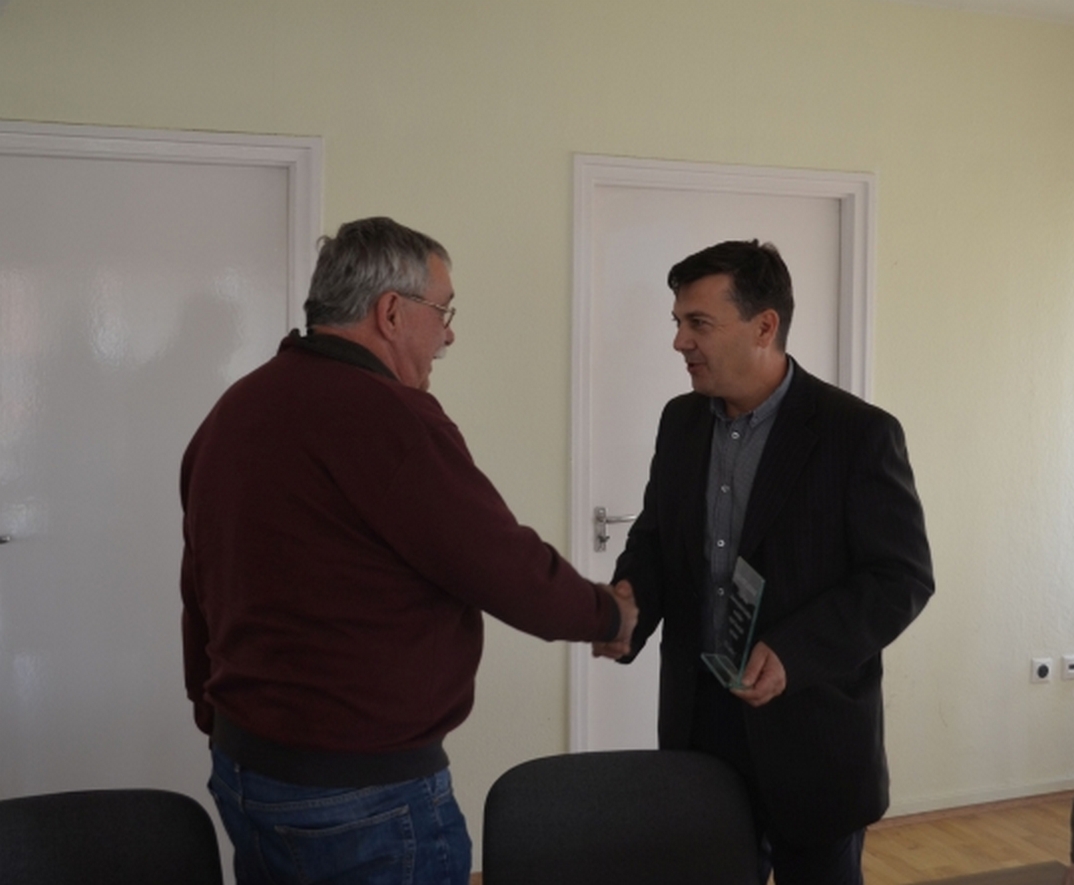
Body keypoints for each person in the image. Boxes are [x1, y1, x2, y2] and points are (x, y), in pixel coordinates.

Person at [181, 216, 637, 885]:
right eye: (442, 311)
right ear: (391, 312)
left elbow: (199, 585)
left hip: (247, 766)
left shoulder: (236, 409)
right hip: (361, 793)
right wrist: (607, 614)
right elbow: (497, 561)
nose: (448, 334)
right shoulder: (384, 416)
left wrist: (213, 713)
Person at [594, 239, 933, 884]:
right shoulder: (679, 422)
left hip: (813, 733)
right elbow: (657, 539)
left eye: (698, 323)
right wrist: (627, 602)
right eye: (678, 322)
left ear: (764, 326)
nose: (680, 342)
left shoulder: (857, 433)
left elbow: (901, 578)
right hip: (700, 725)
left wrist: (794, 653)